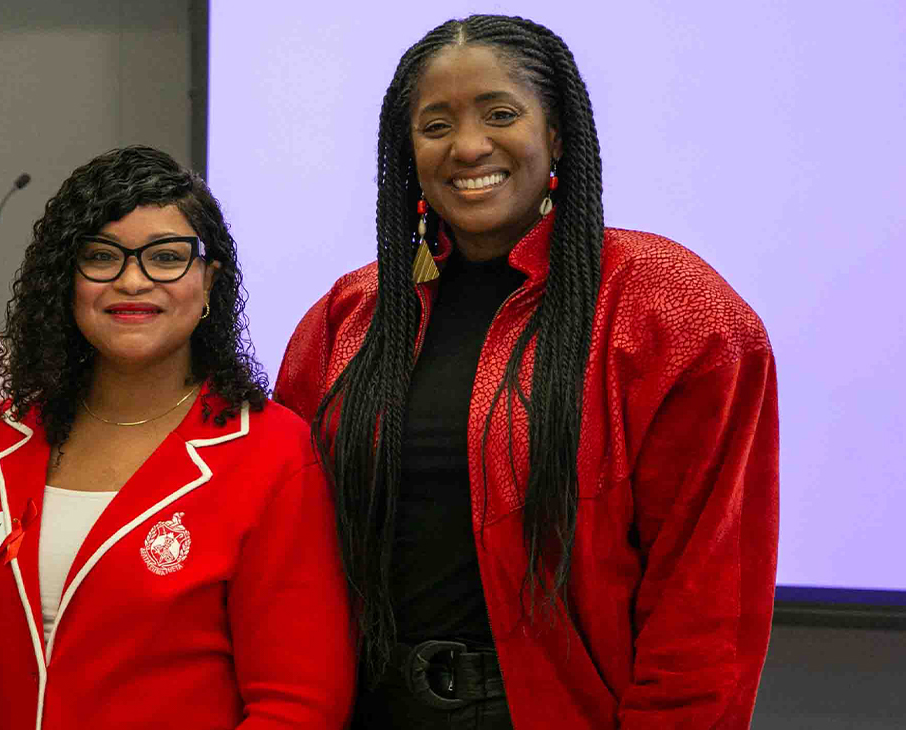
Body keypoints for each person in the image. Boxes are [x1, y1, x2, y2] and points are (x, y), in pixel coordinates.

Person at [274, 15, 778, 729]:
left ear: (558, 136)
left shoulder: (676, 312)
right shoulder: (346, 317)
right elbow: (286, 559)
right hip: (365, 705)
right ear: (408, 151)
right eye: (436, 123)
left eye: (501, 114)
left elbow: (707, 600)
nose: (469, 146)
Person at [0, 145, 355, 729]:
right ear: (66, 281)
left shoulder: (273, 453)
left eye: (166, 258)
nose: (133, 280)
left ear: (210, 280)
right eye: (101, 257)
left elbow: (297, 706)